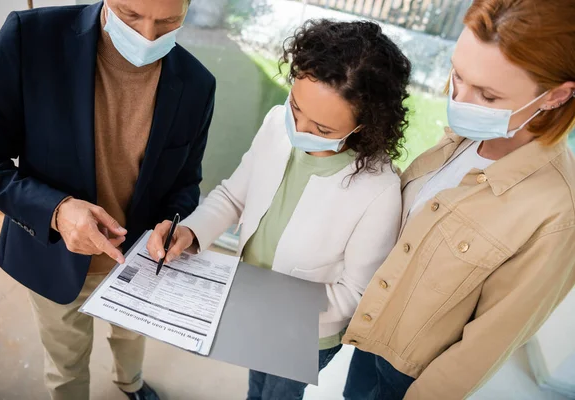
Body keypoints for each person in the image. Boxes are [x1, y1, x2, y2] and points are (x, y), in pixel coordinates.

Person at [147, 19, 411, 400]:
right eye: (295, 106)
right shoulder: (276, 123)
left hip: (308, 334)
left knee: (279, 394)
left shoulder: (379, 191)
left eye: (321, 130)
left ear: (366, 128)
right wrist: (190, 232)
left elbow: (354, 294)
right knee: (257, 387)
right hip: (250, 305)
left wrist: (261, 303)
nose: (298, 130)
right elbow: (233, 197)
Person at [0, 1, 216, 399]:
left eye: (169, 21)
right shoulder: (31, 39)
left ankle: (130, 383)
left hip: (141, 263)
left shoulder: (197, 83)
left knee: (132, 337)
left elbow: (186, 182)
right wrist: (55, 211)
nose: (148, 37)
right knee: (66, 360)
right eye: (130, 15)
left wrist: (176, 225)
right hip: (54, 254)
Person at [341, 0, 575, 399]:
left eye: (487, 95)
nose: (460, 102)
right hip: (374, 336)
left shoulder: (555, 214)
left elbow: (484, 347)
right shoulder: (468, 135)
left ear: (554, 97)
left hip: (411, 377)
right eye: (457, 75)